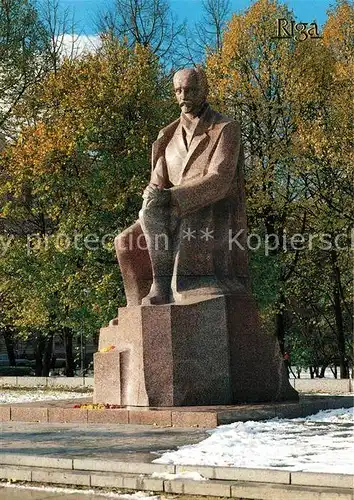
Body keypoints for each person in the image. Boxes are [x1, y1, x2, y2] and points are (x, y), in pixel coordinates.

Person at [115, 67, 249, 306]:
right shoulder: (167, 135)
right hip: (167, 209)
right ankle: (137, 310)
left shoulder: (225, 128)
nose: (183, 95)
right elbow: (158, 178)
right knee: (125, 242)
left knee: (165, 218)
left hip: (205, 210)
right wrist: (154, 192)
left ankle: (161, 286)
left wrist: (172, 197)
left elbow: (220, 179)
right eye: (178, 90)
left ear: (204, 91)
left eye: (189, 90)